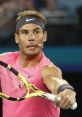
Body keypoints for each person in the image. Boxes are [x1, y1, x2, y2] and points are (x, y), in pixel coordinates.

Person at [0, 10, 76, 117]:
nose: (31, 38)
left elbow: (57, 82)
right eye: (25, 32)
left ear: (44, 36)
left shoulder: (48, 69)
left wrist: (67, 92)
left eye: (36, 32)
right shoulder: (4, 60)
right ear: (17, 38)